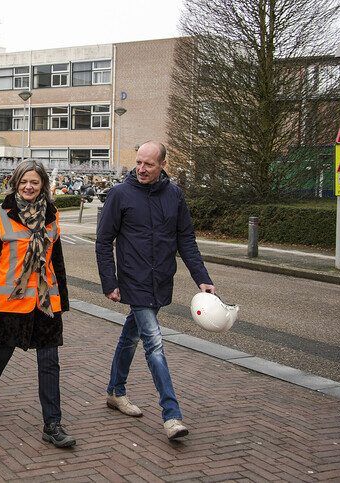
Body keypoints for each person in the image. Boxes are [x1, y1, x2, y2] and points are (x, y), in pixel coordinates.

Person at [95, 141, 215, 441]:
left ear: (162, 164)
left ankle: (115, 391)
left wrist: (202, 277)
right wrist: (110, 282)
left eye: (148, 163)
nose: (141, 168)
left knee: (131, 336)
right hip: (133, 282)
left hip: (161, 281)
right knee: (154, 343)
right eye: (138, 162)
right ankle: (171, 415)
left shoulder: (174, 195)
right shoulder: (120, 194)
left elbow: (186, 239)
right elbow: (103, 240)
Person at [0, 160, 76, 449]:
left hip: (45, 301)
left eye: (34, 182)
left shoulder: (52, 216)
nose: (29, 187)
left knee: (49, 362)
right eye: (23, 182)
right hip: (10, 301)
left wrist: (63, 298)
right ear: (15, 184)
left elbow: (56, 259)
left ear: (42, 184)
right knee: (1, 353)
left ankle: (52, 424)